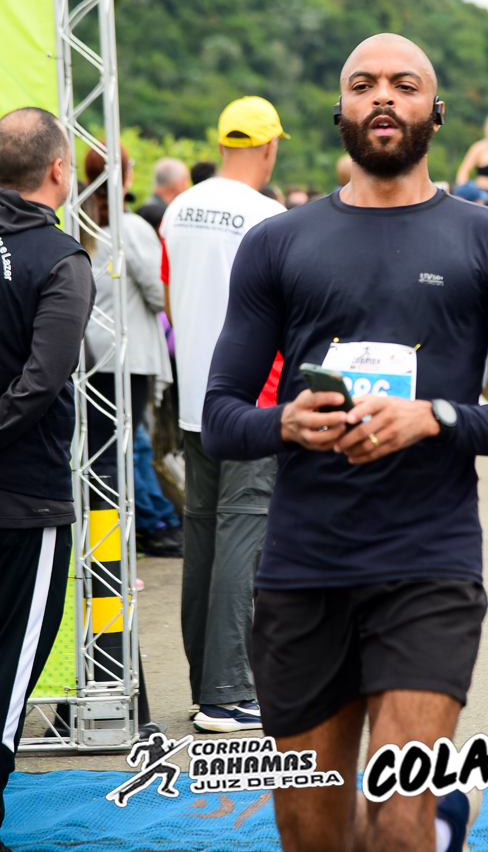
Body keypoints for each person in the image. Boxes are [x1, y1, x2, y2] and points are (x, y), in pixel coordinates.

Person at [202, 33, 488, 852]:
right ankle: (447, 817)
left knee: (394, 827)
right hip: (302, 572)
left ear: (436, 111)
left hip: (428, 567)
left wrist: (435, 416)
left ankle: (431, 817)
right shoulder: (277, 242)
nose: (383, 96)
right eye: (363, 84)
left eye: (404, 83)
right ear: (340, 110)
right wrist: (284, 422)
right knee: (312, 837)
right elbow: (219, 418)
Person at [159, 95, 288, 734]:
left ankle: (205, 686)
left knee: (204, 542)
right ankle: (229, 694)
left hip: (196, 401)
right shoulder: (270, 217)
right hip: (253, 401)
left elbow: (168, 299)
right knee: (243, 537)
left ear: (223, 143)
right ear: (268, 147)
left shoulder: (178, 208)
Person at [0, 108, 95, 839]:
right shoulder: (62, 258)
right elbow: (43, 380)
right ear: (59, 170)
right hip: (25, 498)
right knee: (13, 665)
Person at [82, 145, 178, 557]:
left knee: (99, 457)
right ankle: (113, 560)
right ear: (125, 175)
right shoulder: (131, 228)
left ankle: (104, 555)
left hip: (88, 355)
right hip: (127, 358)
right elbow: (160, 293)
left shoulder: (80, 222)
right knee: (117, 458)